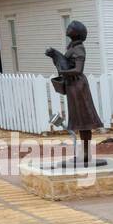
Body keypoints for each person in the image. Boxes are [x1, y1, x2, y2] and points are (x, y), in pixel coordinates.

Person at [45, 20, 103, 164]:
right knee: (80, 121)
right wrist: (55, 56)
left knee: (84, 121)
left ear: (76, 32)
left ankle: (86, 154)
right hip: (73, 86)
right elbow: (65, 62)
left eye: (70, 27)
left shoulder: (79, 49)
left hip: (78, 87)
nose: (68, 28)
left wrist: (63, 72)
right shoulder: (72, 47)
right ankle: (84, 153)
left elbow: (78, 70)